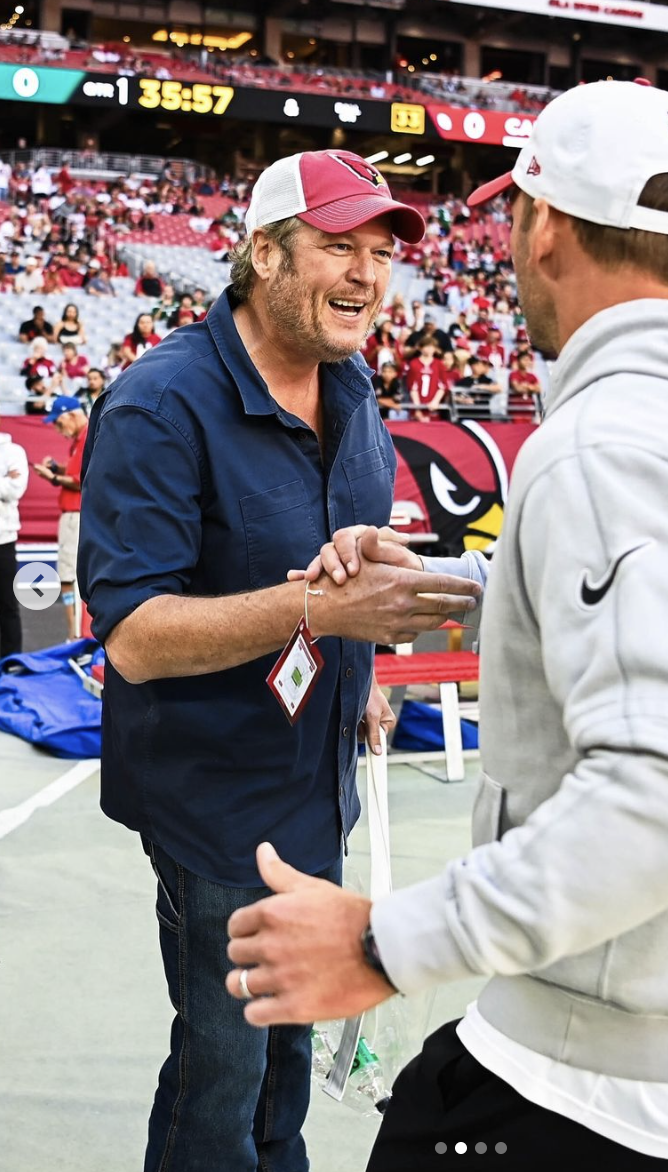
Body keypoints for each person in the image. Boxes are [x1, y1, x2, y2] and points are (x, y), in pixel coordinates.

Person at [224, 82, 668, 1172]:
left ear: (543, 223)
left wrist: (385, 940)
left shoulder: (611, 441)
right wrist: (465, 579)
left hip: (606, 1063)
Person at [77, 148, 480, 1172]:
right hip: (213, 807)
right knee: (222, 1070)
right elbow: (131, 636)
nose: (366, 274)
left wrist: (359, 668)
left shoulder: (354, 393)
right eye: (338, 246)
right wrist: (317, 605)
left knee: (286, 1058)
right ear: (262, 253)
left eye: (381, 252)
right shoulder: (160, 402)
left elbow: (337, 571)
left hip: (316, 787)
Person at [31, 396, 87, 634]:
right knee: (72, 577)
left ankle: (74, 637)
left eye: (59, 422)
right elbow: (77, 472)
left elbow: (79, 481)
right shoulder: (82, 437)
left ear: (71, 415)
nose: (57, 429)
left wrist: (51, 477)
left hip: (75, 516)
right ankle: (76, 635)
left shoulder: (84, 438)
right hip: (76, 515)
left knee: (68, 578)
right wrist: (57, 467)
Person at [0, 430, 28, 657]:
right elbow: (7, 487)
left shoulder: (13, 451)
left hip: (4, 539)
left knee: (7, 603)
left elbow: (15, 489)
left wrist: (8, 484)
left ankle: (11, 659)